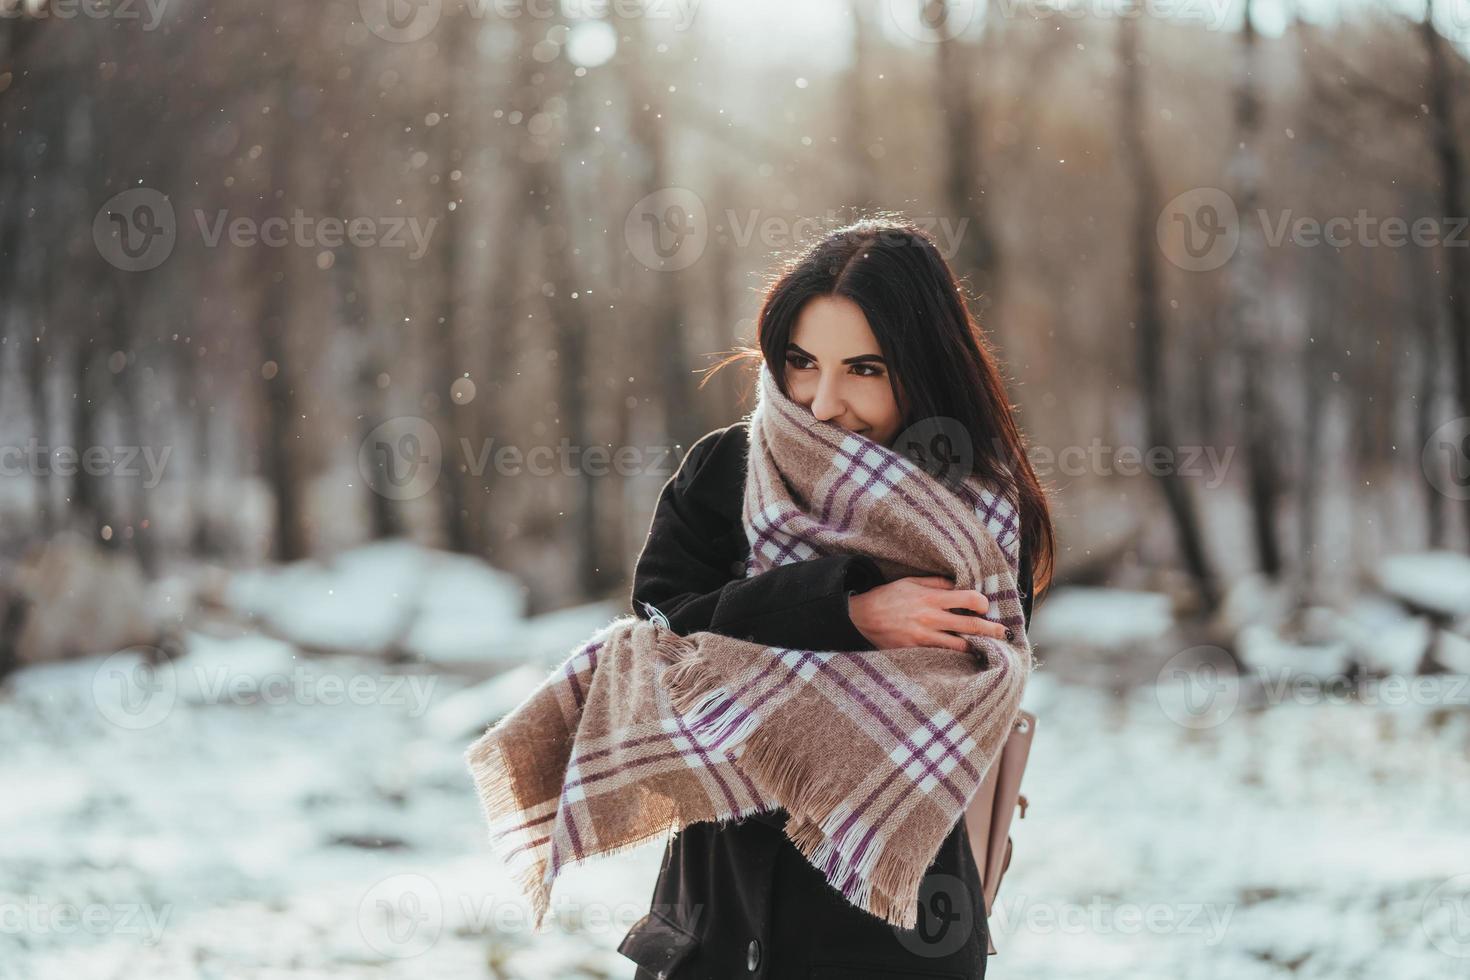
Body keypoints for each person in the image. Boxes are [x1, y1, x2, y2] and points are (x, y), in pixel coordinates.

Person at [617, 218, 1054, 979]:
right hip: (720, 916)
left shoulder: (972, 507)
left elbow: (956, 690)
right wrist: (846, 612)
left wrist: (759, 647)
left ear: (921, 368)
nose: (822, 403)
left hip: (894, 927)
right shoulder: (730, 470)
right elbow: (657, 653)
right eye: (801, 363)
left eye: (864, 369)